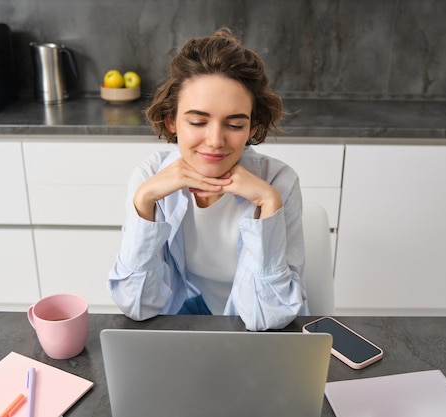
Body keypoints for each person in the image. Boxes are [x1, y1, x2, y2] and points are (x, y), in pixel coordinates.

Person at [108, 28, 307, 331]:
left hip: (249, 327)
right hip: (184, 322)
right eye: (198, 121)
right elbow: (137, 305)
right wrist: (144, 203)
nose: (215, 141)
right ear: (171, 121)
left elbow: (270, 316)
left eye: (235, 124)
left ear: (253, 127)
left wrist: (269, 205)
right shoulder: (149, 179)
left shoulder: (278, 183)